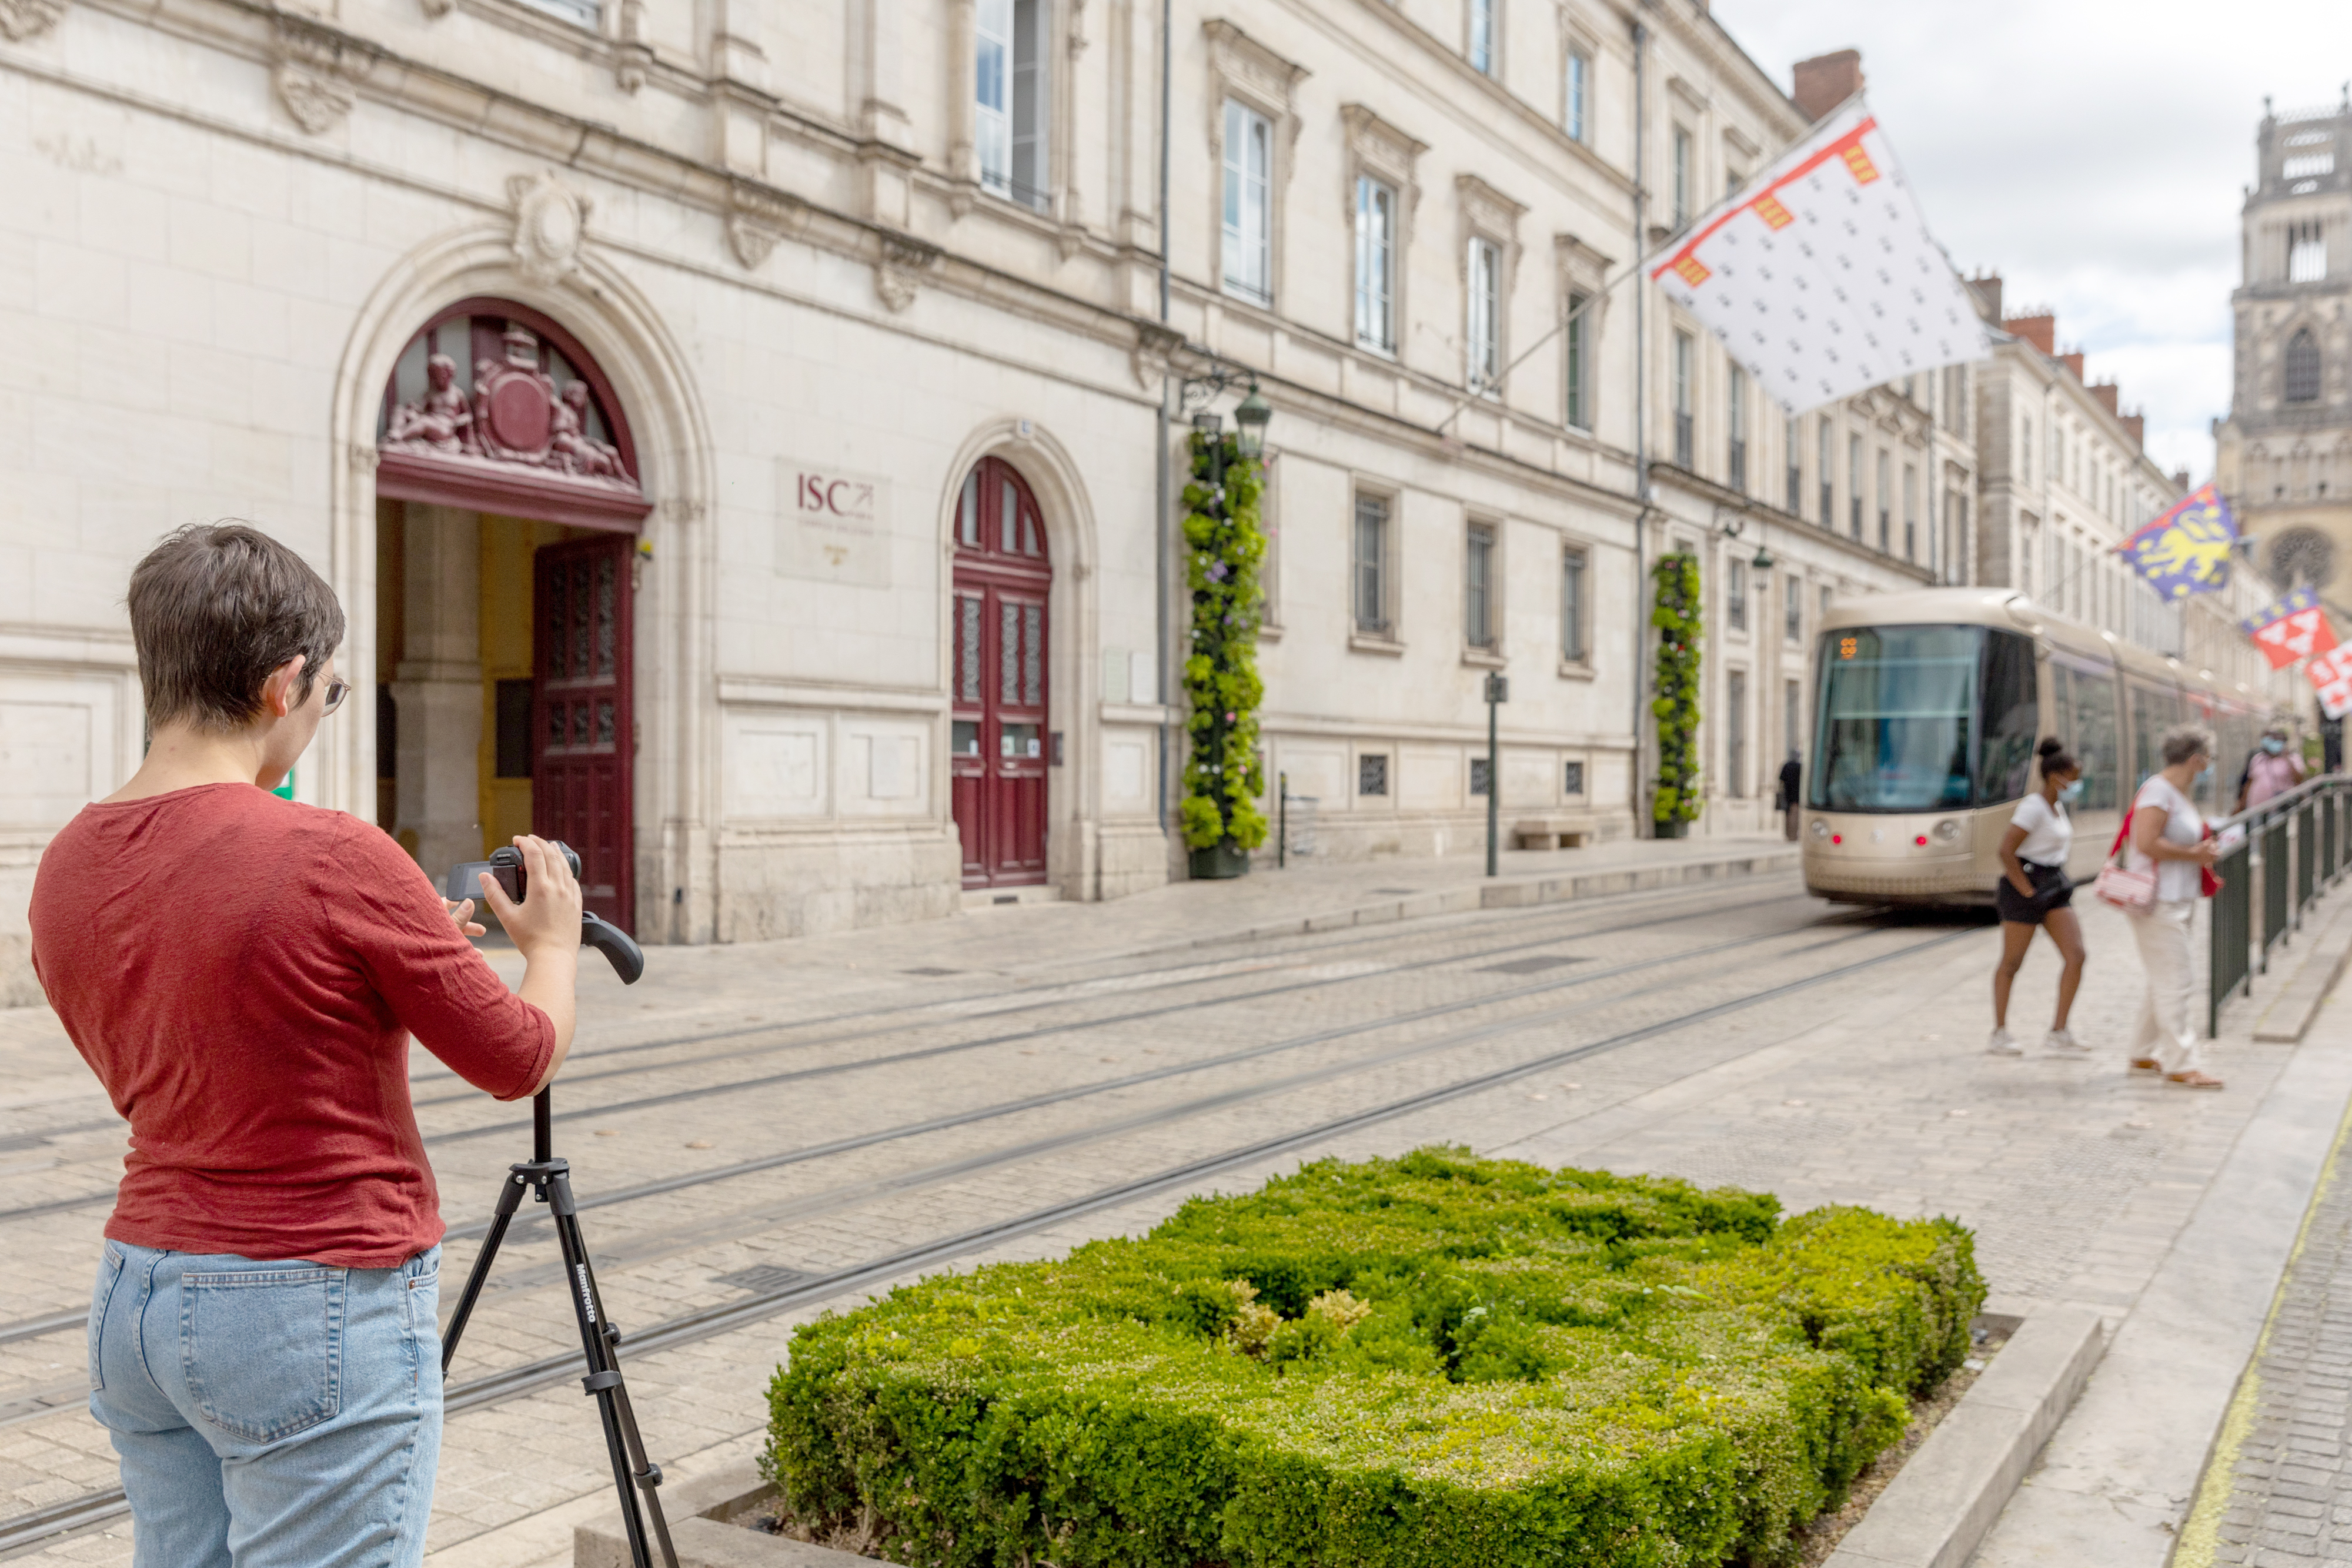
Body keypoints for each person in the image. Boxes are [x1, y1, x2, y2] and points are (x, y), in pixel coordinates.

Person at [26, 522, 585, 1568]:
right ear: (286, 682)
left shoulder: (66, 861)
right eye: (332, 694)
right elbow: (516, 1056)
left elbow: (182, 1039)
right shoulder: (333, 849)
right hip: (308, 1298)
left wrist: (388, 939)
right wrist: (550, 945)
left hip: (139, 1293)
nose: (322, 716)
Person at [2122, 724, 2225, 1089]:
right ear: (2196, 759)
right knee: (2178, 980)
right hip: (2158, 901)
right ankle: (2182, 1062)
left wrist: (2201, 849)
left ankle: (2141, 1051)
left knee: (2163, 978)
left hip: (2176, 898)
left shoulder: (2177, 793)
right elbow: (2146, 842)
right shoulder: (2158, 791)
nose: (2209, 766)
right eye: (2208, 759)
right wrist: (2193, 853)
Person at [1989, 738, 2088, 1056]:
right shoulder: (2032, 807)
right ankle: (2000, 1032)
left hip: (2055, 885)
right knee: (2012, 962)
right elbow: (2006, 851)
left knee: (2076, 955)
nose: (2077, 783)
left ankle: (2059, 1031)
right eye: (2074, 776)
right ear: (2056, 776)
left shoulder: (2057, 807)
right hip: (2027, 885)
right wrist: (2028, 891)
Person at [2236, 726, 2306, 814]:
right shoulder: (2258, 758)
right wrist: (2241, 804)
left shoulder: (2293, 758)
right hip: (2255, 808)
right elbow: (2249, 782)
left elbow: (2299, 779)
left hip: (2279, 809)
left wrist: (2287, 759)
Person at [1778, 752, 1803, 841]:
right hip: (1797, 796)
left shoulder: (1787, 766)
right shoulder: (1800, 767)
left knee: (1788, 817)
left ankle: (1788, 835)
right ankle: (1793, 836)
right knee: (1795, 817)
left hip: (1787, 795)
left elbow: (1781, 780)